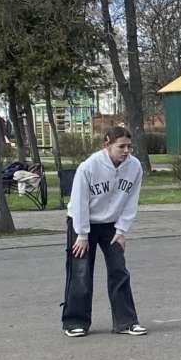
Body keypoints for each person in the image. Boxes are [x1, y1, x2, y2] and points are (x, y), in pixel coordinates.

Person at [61, 127, 145, 337]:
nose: (126, 151)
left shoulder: (134, 167)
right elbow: (79, 201)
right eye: (121, 146)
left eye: (129, 146)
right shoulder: (89, 167)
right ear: (107, 144)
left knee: (119, 270)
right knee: (80, 272)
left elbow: (131, 200)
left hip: (112, 225)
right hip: (82, 221)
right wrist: (82, 234)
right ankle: (75, 322)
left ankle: (126, 322)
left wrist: (121, 229)